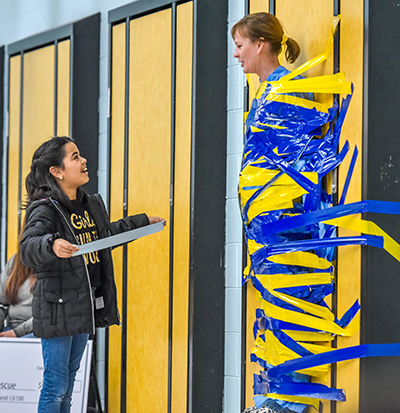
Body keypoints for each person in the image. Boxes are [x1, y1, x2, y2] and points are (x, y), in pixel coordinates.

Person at [19, 136, 165, 413]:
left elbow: (105, 236)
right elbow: (28, 247)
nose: (84, 160)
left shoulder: (88, 205)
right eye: (74, 157)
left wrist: (141, 223)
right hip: (57, 307)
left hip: (83, 304)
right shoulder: (45, 207)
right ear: (57, 171)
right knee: (55, 386)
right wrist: (51, 244)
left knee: (69, 386)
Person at [232, 12, 313, 139]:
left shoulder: (286, 87)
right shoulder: (268, 88)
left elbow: (295, 147)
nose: (235, 54)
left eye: (239, 46)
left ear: (259, 45)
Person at [0, 249, 36, 338]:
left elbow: (50, 315)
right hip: (11, 327)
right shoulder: (15, 261)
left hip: (39, 330)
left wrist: (17, 332)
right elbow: (2, 304)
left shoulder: (58, 263)